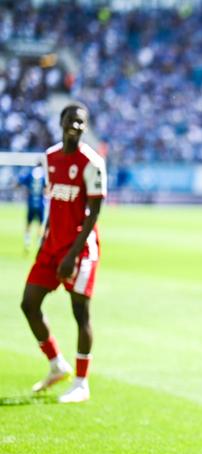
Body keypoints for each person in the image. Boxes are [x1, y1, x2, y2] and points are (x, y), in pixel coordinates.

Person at [22, 102, 107, 403]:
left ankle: (82, 382)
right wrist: (46, 239)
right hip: (52, 245)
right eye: (72, 120)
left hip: (80, 250)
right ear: (61, 121)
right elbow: (53, 203)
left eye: (82, 122)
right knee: (29, 304)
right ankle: (57, 363)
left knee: (80, 313)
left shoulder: (92, 163)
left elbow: (94, 212)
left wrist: (72, 254)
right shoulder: (50, 157)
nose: (76, 126)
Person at [17, 163, 48, 252]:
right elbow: (47, 187)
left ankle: (27, 242)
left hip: (31, 202)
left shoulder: (31, 174)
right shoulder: (43, 175)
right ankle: (39, 243)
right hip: (41, 203)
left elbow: (20, 181)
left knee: (28, 223)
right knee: (40, 224)